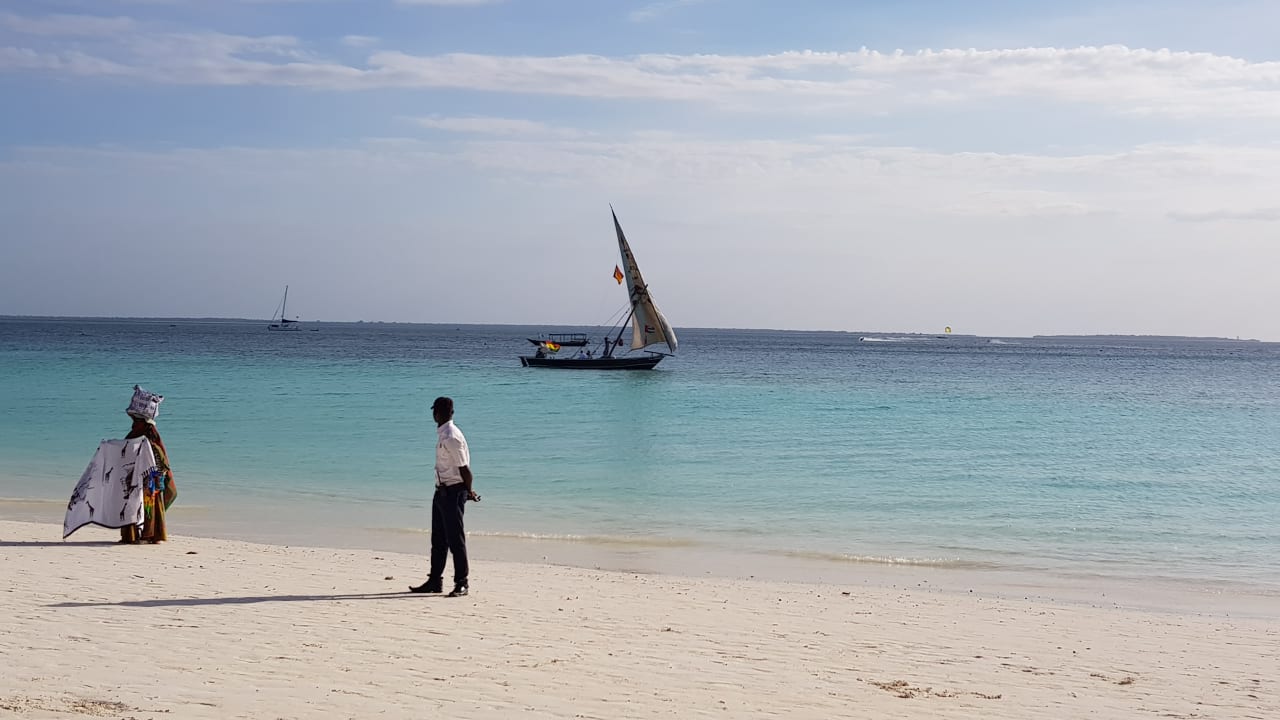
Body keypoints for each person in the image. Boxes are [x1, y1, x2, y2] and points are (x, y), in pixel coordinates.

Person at [410, 396, 479, 597]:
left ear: (440, 413)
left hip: (453, 492)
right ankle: (434, 581)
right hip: (441, 491)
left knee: (455, 540)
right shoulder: (443, 434)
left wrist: (469, 491)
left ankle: (462, 583)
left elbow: (465, 469)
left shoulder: (451, 436)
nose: (435, 414)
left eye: (437, 411)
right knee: (438, 539)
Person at [120, 386, 177, 544]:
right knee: (144, 502)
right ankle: (145, 535)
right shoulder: (148, 435)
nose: (133, 423)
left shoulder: (145, 436)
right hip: (143, 480)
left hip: (148, 480)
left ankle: (147, 534)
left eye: (136, 420)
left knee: (146, 502)